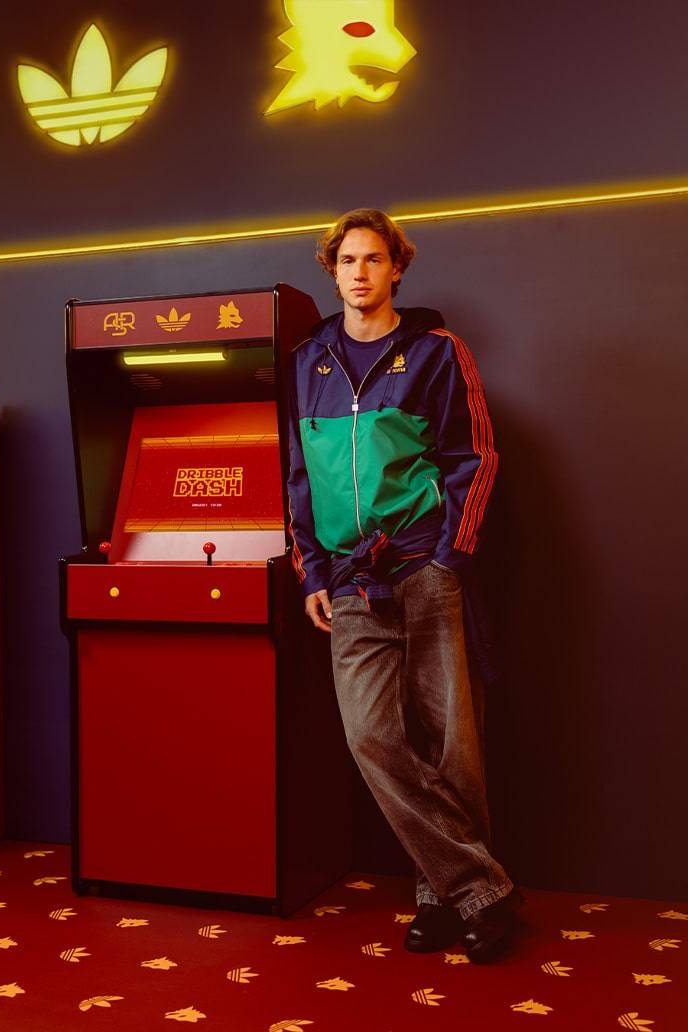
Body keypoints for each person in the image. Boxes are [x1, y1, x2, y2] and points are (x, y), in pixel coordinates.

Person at [286, 208, 519, 961]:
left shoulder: (435, 352)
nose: (359, 272)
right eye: (347, 260)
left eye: (373, 259)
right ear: (332, 272)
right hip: (350, 580)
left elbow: (475, 455)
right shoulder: (308, 360)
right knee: (373, 737)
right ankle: (482, 888)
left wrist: (451, 554)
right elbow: (297, 475)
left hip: (424, 566)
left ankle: (441, 899)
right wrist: (311, 568)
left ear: (397, 268)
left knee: (451, 744)